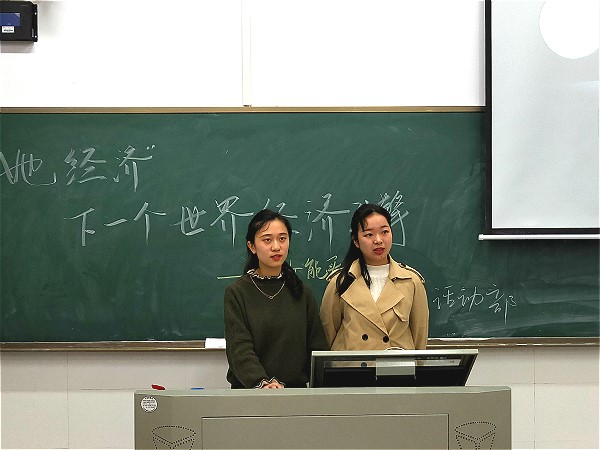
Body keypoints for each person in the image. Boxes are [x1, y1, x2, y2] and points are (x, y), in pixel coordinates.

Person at [224, 209, 328, 388]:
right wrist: (261, 382)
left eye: (282, 239)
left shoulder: (302, 292)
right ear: (252, 246)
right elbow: (239, 348)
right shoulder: (237, 292)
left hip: (294, 394)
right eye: (267, 240)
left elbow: (317, 348)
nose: (276, 247)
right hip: (251, 392)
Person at [320, 204, 429, 350]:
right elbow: (328, 335)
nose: (378, 240)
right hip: (352, 363)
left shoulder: (411, 282)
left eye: (384, 232)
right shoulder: (340, 282)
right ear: (356, 241)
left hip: (395, 364)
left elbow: (419, 338)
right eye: (369, 235)